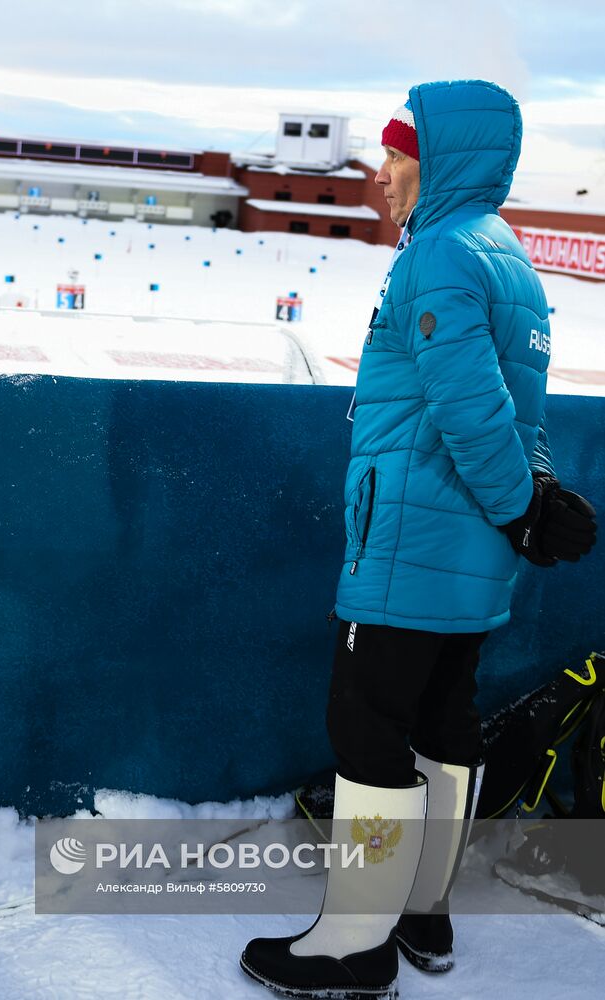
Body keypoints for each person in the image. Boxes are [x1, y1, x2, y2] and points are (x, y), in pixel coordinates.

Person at [240, 79, 597, 1000]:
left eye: (397, 157)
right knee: (446, 720)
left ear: (434, 161)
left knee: (365, 730)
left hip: (408, 541)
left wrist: (522, 506)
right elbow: (527, 412)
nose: (384, 177)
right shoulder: (504, 253)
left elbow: (469, 406)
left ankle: (353, 947)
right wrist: (532, 497)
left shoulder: (438, 252)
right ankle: (422, 916)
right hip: (473, 551)